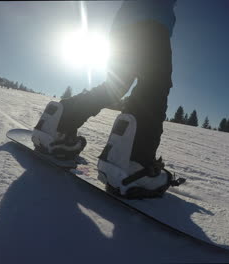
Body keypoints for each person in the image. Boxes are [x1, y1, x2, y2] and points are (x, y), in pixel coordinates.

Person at [32, 0, 184, 199]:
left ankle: (59, 124)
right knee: (155, 85)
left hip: (122, 26)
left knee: (114, 87)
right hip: (153, 24)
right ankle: (133, 162)